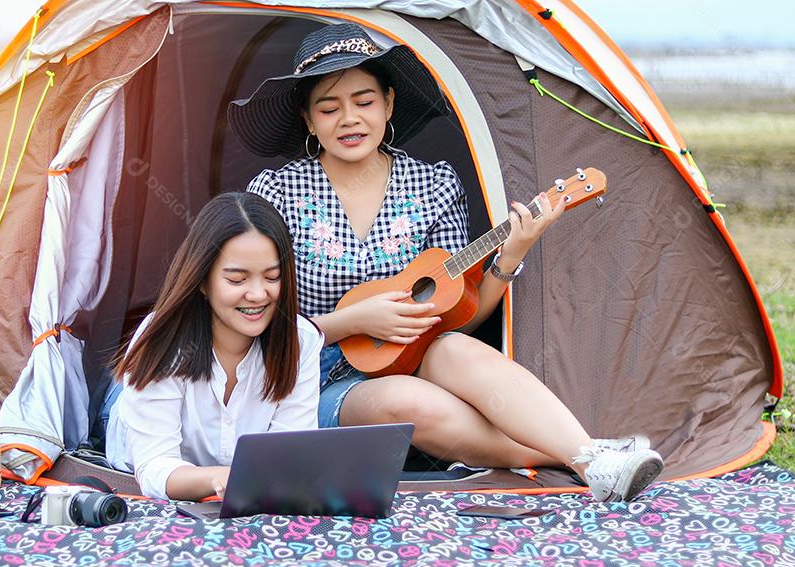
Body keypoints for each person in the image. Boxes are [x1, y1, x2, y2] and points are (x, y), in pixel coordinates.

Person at [228, 23, 663, 502]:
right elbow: (250, 317)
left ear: (389, 104)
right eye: (329, 108)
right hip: (307, 377)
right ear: (309, 120)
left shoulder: (433, 185)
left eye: (364, 102)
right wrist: (351, 321)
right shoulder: (275, 193)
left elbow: (460, 316)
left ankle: (594, 462)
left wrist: (511, 254)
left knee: (456, 348)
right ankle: (580, 455)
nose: (349, 119)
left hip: (412, 357)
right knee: (406, 401)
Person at [103, 192, 323, 501]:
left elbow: (288, 454)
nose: (258, 294)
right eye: (237, 280)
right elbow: (154, 467)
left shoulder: (302, 340)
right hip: (130, 419)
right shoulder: (163, 338)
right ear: (203, 281)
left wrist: (245, 479)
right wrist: (219, 479)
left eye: (272, 277)